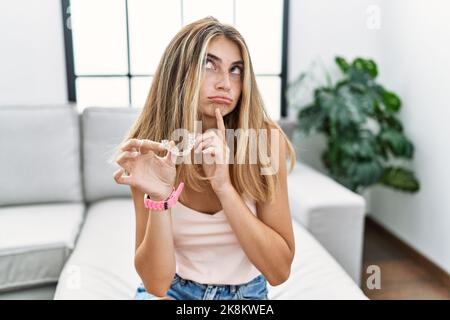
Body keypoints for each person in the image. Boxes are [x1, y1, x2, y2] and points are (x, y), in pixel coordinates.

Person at [113, 16, 296, 300]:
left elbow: (279, 271)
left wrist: (224, 186)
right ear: (178, 72)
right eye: (209, 65)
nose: (226, 83)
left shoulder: (265, 140)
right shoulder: (151, 148)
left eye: (236, 70)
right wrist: (160, 199)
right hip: (174, 291)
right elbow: (156, 284)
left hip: (246, 296)